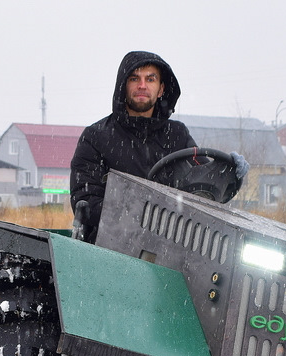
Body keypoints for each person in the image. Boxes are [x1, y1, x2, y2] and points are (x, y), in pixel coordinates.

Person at [69, 51, 196, 242]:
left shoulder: (177, 135)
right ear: (123, 86)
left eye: (150, 79)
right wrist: (140, 215)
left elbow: (203, 183)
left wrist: (229, 173)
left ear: (161, 88)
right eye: (134, 78)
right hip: (110, 246)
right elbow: (85, 201)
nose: (142, 85)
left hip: (172, 245)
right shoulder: (97, 136)